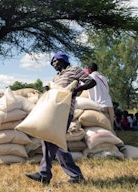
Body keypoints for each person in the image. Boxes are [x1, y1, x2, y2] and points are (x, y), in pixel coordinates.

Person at [25, 52, 96, 185]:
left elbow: (91, 82)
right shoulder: (57, 77)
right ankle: (74, 176)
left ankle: (44, 173)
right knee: (53, 141)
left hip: (64, 111)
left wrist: (77, 90)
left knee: (53, 140)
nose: (53, 64)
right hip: (54, 110)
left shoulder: (74, 70)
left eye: (55, 61)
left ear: (62, 60)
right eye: (52, 63)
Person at [86, 63, 115, 129]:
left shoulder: (89, 77)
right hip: (109, 105)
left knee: (103, 128)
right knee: (111, 128)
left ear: (89, 69)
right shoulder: (103, 78)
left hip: (100, 106)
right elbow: (107, 90)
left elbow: (82, 87)